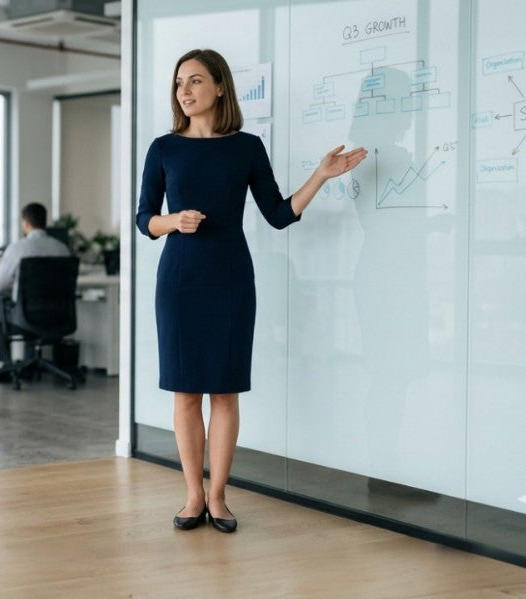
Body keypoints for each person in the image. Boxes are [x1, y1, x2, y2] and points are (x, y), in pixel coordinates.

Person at [133, 48, 367, 534]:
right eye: (179, 83)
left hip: (230, 281)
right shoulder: (163, 148)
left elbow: (278, 215)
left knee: (224, 391)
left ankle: (218, 498)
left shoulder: (247, 147)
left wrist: (321, 176)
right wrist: (172, 221)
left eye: (195, 81)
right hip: (178, 282)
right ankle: (192, 496)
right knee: (184, 393)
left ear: (219, 86)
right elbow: (143, 220)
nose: (185, 91)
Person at [0, 203, 71, 369]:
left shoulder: (18, 248)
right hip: (59, 315)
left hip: (26, 316)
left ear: (25, 223)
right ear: (45, 222)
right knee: (29, 310)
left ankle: (7, 366)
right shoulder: (62, 248)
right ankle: (28, 365)